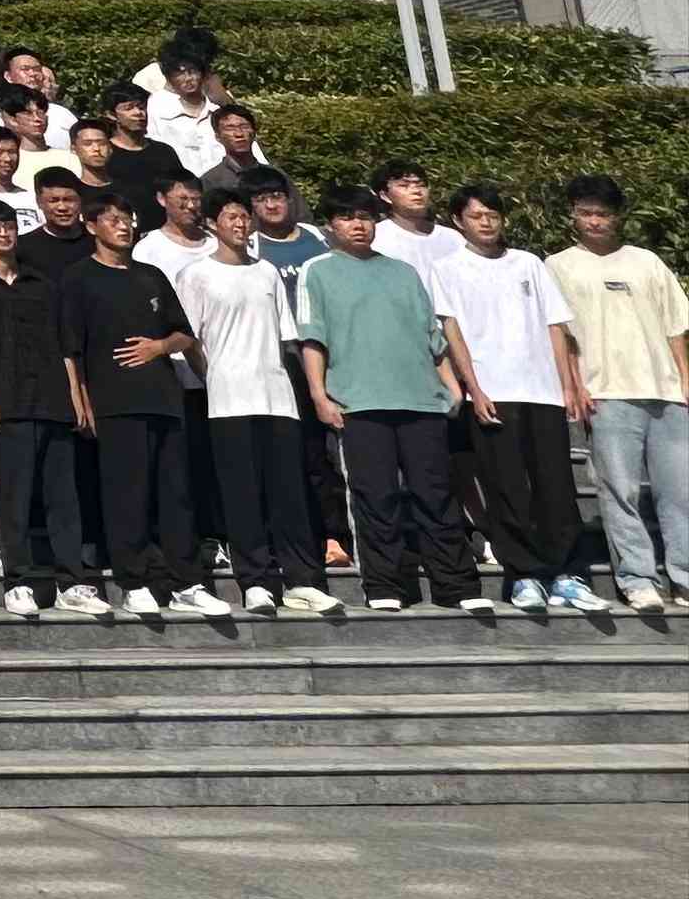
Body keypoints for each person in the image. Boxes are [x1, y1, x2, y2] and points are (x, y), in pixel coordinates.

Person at [295, 185, 477, 610]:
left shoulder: (404, 272)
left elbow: (432, 336)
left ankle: (456, 586)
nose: (357, 225)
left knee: (436, 495)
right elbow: (312, 337)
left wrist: (451, 385)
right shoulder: (317, 271)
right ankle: (385, 587)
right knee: (375, 498)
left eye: (364, 217)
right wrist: (319, 394)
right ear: (330, 226)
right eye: (346, 218)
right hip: (359, 404)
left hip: (421, 400)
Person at [434, 185, 592, 612]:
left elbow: (556, 326)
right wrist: (474, 388)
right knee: (506, 487)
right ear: (458, 221)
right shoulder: (447, 268)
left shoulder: (529, 263)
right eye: (476, 216)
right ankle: (524, 575)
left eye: (493, 215)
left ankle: (566, 574)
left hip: (542, 391)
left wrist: (567, 385)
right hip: (492, 392)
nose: (486, 223)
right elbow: (451, 330)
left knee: (556, 485)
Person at [176, 187, 331, 616]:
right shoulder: (196, 274)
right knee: (242, 495)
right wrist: (213, 375)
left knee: (289, 493)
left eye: (245, 216)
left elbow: (286, 336)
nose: (241, 224)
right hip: (227, 401)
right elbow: (188, 339)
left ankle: (302, 581)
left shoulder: (266, 272)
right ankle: (256, 581)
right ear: (212, 223)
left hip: (277, 397)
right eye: (231, 217)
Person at [0, 196, 96, 618]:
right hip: (5, 403)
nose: (3, 233)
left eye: (8, 225)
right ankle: (18, 581)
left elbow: (66, 346)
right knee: (13, 498)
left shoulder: (43, 284)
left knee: (63, 498)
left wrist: (76, 395)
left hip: (52, 400)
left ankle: (72, 583)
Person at [58, 187, 201, 619]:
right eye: (113, 220)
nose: (124, 227)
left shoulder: (151, 275)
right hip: (114, 402)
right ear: (91, 226)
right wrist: (79, 399)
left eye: (128, 220)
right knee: (127, 495)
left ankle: (186, 582)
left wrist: (159, 347)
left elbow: (184, 334)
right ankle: (133, 581)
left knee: (176, 494)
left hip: (164, 398)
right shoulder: (78, 278)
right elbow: (70, 348)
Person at [551, 172, 689, 612]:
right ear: (573, 215)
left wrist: (684, 379)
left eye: (603, 214)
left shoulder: (646, 262)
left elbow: (675, 326)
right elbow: (559, 334)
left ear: (618, 217)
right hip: (605, 392)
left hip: (666, 392)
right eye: (586, 213)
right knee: (620, 492)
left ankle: (684, 577)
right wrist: (574, 384)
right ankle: (638, 578)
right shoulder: (558, 266)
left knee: (680, 492)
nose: (594, 221)